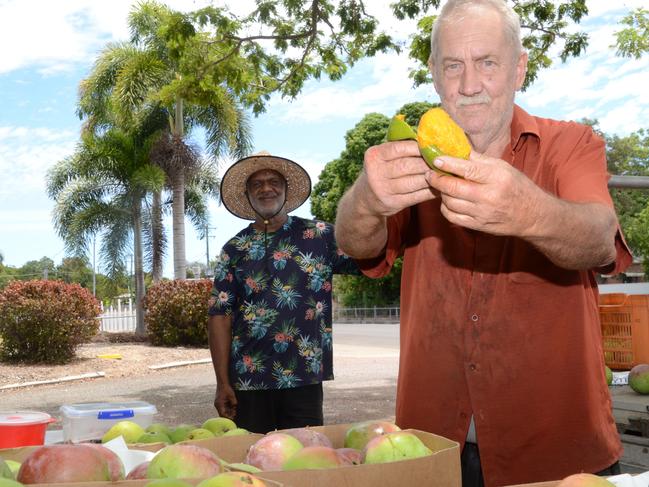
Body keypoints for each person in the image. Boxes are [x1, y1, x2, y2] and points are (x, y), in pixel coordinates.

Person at [334, 1, 632, 486]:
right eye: (453, 65)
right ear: (434, 73)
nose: (469, 84)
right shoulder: (410, 154)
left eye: (487, 63)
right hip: (432, 451)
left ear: (519, 68)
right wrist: (366, 199)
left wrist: (527, 210)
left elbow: (600, 240)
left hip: (558, 453)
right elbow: (355, 244)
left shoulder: (571, 144)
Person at [207, 152, 359, 434]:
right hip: (249, 382)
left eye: (274, 181)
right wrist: (222, 383)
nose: (266, 188)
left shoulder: (321, 236)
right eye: (257, 184)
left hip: (304, 379)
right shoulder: (234, 249)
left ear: (286, 190)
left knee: (305, 461)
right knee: (252, 464)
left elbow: (367, 257)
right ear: (248, 194)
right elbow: (219, 316)